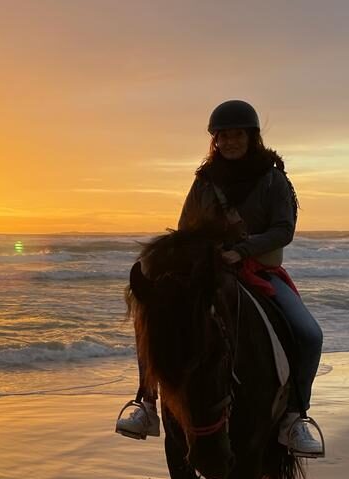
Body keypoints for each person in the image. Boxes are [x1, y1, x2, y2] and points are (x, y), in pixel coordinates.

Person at [115, 100, 324, 457]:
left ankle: (295, 416)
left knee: (309, 334)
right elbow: (185, 230)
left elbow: (283, 229)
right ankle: (146, 403)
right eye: (222, 136)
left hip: (258, 271)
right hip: (209, 272)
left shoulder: (273, 179)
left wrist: (242, 250)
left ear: (251, 137)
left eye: (236, 135)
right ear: (215, 140)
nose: (229, 142)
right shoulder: (205, 181)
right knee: (150, 322)